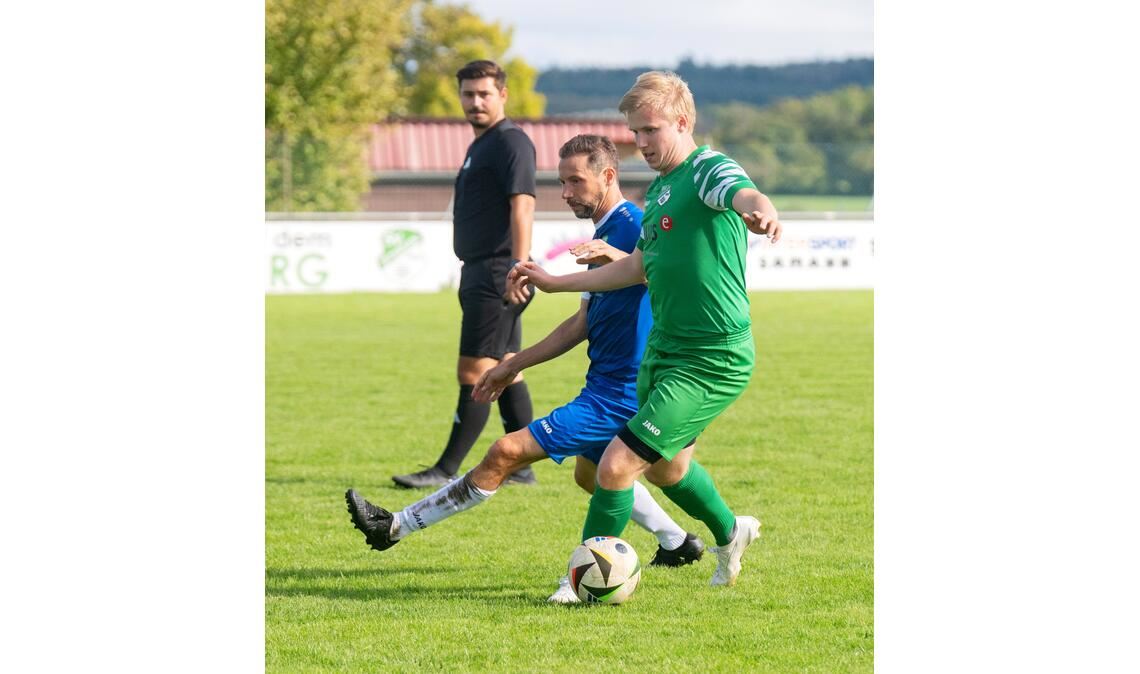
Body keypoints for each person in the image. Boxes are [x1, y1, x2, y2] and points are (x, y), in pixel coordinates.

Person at [347, 134, 705, 603]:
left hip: (624, 392)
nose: (566, 192)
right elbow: (581, 323)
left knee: (504, 452)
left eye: (576, 181)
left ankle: (394, 526)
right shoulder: (604, 233)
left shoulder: (636, 225)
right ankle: (679, 542)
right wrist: (513, 362)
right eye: (561, 182)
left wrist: (560, 278)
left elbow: (667, 273)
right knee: (589, 475)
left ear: (608, 176)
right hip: (604, 386)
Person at [508, 71, 783, 588]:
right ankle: (731, 532)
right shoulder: (659, 192)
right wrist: (555, 283)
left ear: (682, 122)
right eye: (634, 132)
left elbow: (743, 194)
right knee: (667, 469)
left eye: (650, 130)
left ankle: (581, 582)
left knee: (615, 467)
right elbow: (637, 268)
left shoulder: (706, 169)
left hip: (710, 357)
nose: (641, 143)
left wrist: (761, 213)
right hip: (664, 353)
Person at [392, 60, 538, 488]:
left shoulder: (512, 142)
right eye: (468, 94)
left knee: (474, 370)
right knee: (508, 365)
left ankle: (445, 469)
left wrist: (519, 265)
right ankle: (523, 465)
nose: (475, 102)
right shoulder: (481, 145)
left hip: (498, 270)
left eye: (484, 94)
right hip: (479, 269)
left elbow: (523, 204)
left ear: (503, 95)